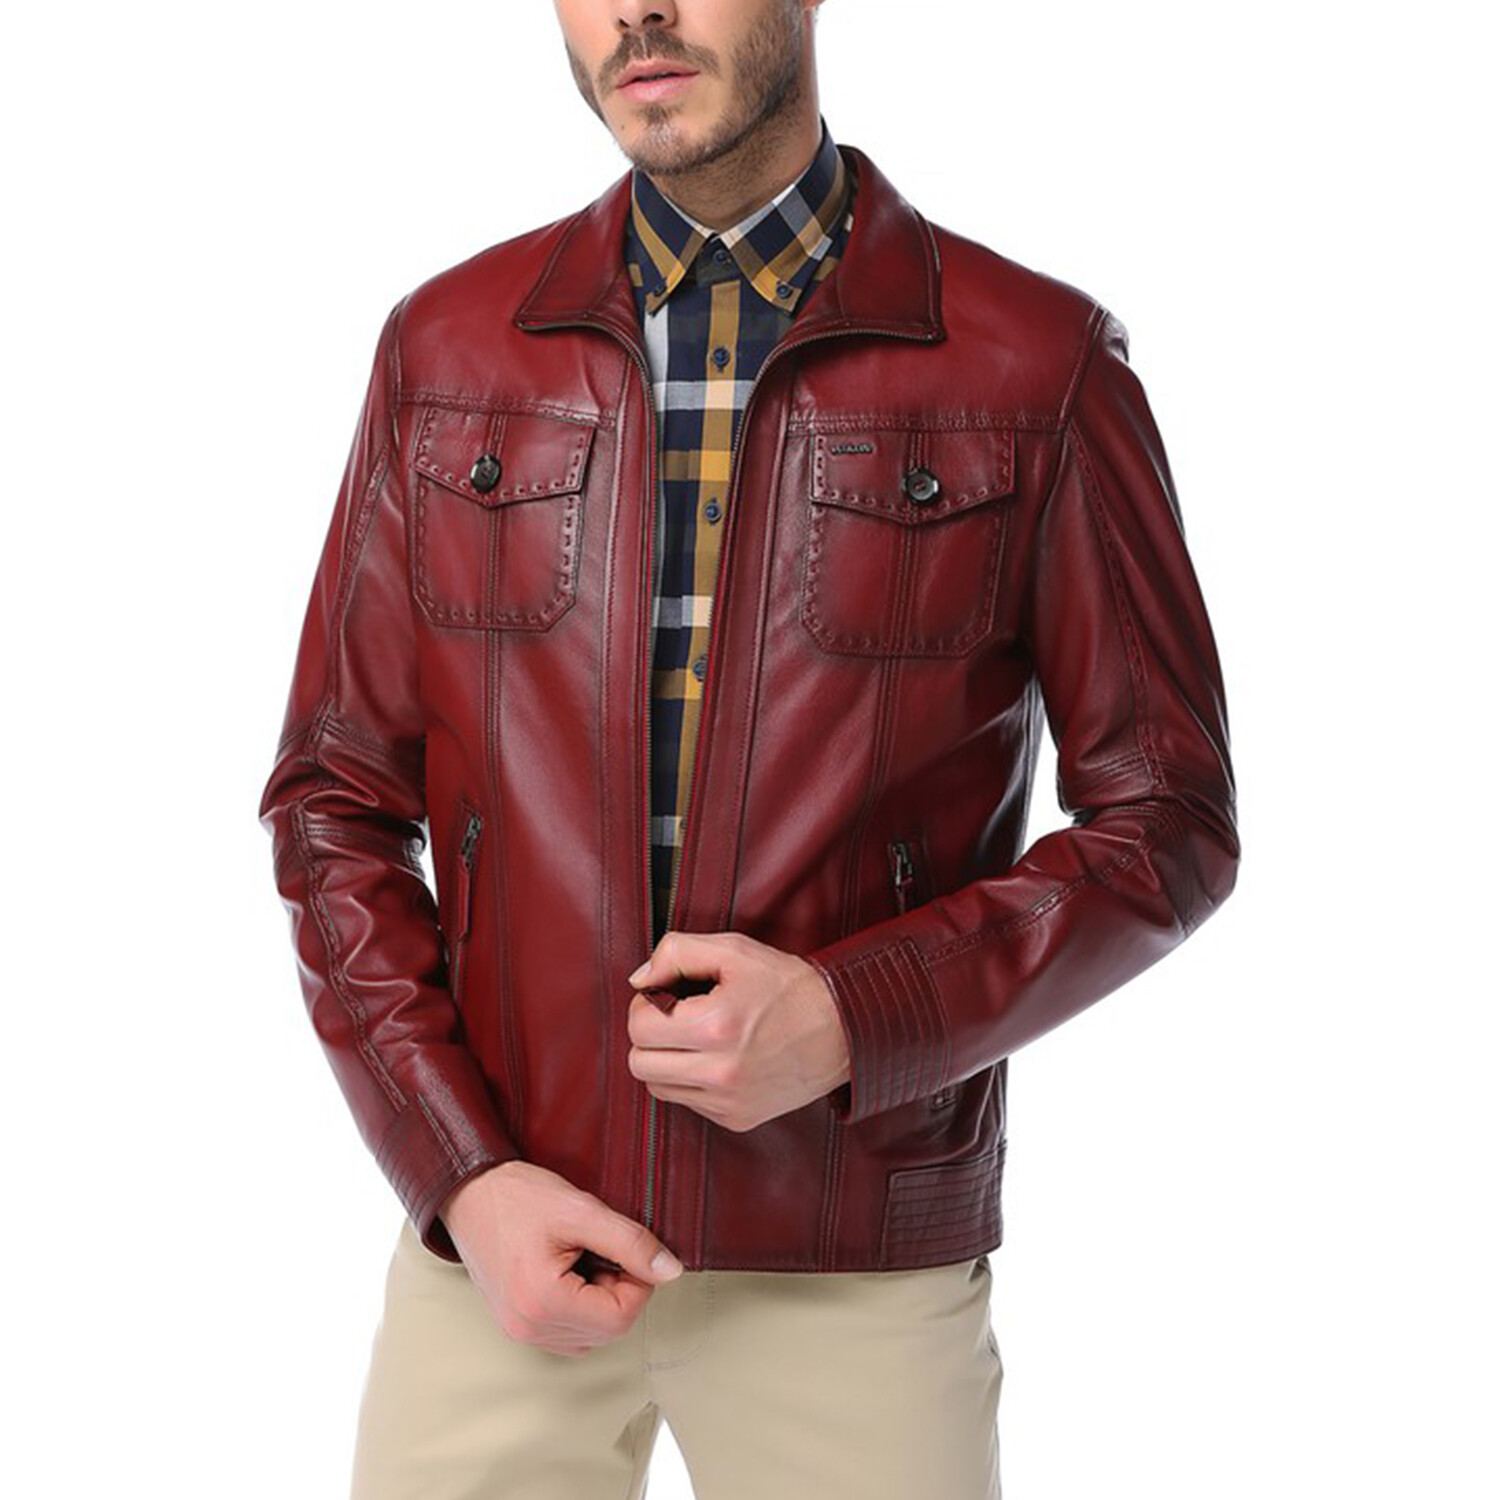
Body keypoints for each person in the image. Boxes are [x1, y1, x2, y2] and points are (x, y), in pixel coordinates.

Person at [256, 1, 1240, 1495]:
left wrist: (856, 1016)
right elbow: (333, 801)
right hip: (503, 1255)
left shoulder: (1035, 365)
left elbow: (1169, 819)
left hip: (852, 1263)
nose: (639, 10)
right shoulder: (446, 349)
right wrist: (461, 1173)